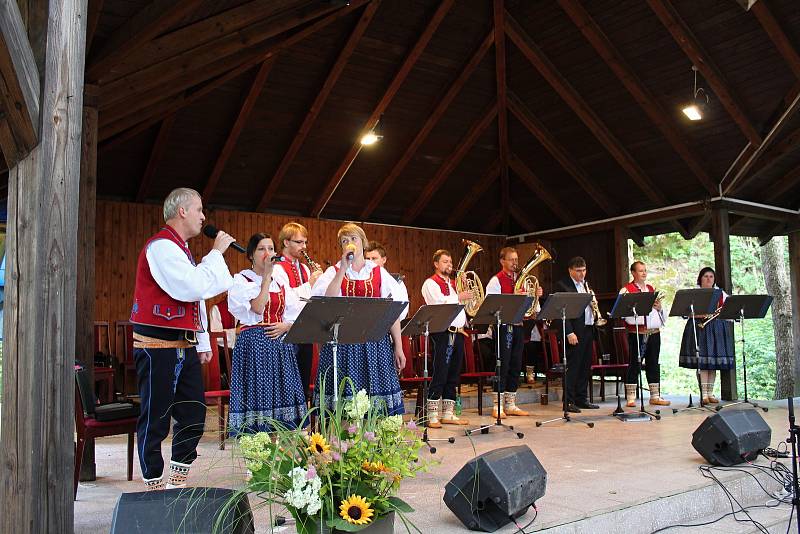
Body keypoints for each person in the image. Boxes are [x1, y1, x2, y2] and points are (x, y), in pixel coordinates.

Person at [129, 187, 234, 491]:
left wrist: (202, 343)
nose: (204, 216)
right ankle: (153, 483)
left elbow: (196, 299)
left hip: (184, 345)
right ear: (182, 211)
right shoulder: (161, 247)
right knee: (156, 417)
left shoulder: (181, 249)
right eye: (199, 210)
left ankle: (178, 480)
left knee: (193, 414)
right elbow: (191, 287)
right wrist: (215, 253)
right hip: (156, 346)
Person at [311, 223, 407, 415]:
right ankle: (345, 442)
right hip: (344, 344)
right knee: (345, 405)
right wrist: (342, 269)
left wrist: (398, 346)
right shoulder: (334, 271)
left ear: (363, 243)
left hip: (375, 344)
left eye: (353, 239)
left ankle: (372, 441)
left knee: (376, 405)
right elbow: (325, 301)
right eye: (344, 241)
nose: (349, 243)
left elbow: (392, 311)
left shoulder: (379, 272)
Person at [227, 233, 307, 433]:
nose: (268, 253)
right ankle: (258, 445)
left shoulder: (280, 282)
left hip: (280, 345)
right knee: (258, 394)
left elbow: (295, 312)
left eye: (271, 248)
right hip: (254, 346)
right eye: (262, 249)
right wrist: (265, 279)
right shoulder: (242, 279)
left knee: (283, 394)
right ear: (251, 254)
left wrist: (286, 326)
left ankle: (282, 448)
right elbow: (257, 308)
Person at [485, 247, 542, 418]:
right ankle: (497, 405)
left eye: (516, 259)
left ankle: (511, 403)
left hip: (519, 325)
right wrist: (514, 296)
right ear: (502, 261)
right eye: (511, 259)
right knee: (502, 364)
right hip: (503, 327)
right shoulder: (496, 281)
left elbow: (533, 309)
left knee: (516, 365)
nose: (515, 263)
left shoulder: (523, 280)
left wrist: (536, 296)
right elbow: (491, 306)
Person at [420, 249, 472, 427]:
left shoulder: (453, 284)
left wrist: (463, 292)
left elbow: (465, 305)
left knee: (453, 374)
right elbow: (438, 304)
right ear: (436, 264)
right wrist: (459, 296)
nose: (449, 265)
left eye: (450, 262)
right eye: (445, 262)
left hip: (458, 332)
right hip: (442, 332)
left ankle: (448, 414)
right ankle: (432, 415)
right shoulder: (430, 283)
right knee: (440, 372)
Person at [272, 222, 323, 397]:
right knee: (288, 384)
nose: (304, 247)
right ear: (286, 243)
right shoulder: (277, 268)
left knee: (302, 381)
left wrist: (320, 283)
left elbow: (312, 300)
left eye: (305, 242)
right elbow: (287, 301)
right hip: (286, 333)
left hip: (304, 331)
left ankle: (301, 422)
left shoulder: (304, 268)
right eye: (299, 242)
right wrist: (310, 284)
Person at [678, 266, 735, 404]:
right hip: (699, 328)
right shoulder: (695, 293)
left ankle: (710, 393)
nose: (709, 279)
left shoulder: (720, 294)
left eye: (711, 276)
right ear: (700, 278)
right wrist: (699, 314)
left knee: (713, 362)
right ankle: (704, 394)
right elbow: (683, 313)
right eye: (706, 276)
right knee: (703, 362)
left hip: (716, 329)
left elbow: (729, 311)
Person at [619, 261, 670, 407]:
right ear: (633, 273)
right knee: (634, 363)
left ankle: (655, 396)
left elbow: (659, 313)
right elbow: (625, 315)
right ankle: (631, 397)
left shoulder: (650, 289)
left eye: (645, 270)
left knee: (653, 362)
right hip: (637, 332)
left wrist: (659, 308)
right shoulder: (626, 290)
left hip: (654, 332)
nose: (644, 273)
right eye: (640, 271)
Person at [553, 256, 599, 413]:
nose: (582, 274)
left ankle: (581, 398)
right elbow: (560, 312)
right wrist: (569, 332)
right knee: (572, 367)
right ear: (570, 270)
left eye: (584, 270)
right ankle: (569, 401)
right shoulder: (562, 286)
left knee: (585, 366)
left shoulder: (586, 285)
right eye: (578, 271)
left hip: (587, 328)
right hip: (573, 331)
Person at [365, 241, 409, 318]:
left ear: (384, 259)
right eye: (368, 259)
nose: (370, 262)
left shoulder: (396, 281)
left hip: (389, 325)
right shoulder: (361, 281)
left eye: (374, 258)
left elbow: (402, 309)